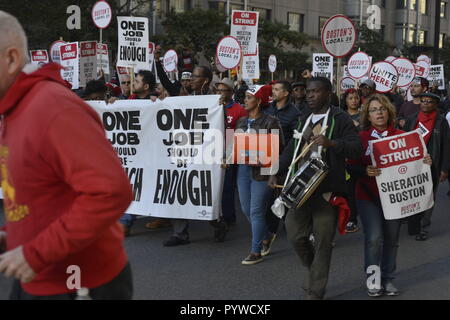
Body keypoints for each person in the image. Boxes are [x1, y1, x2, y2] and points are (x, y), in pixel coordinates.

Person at [0, 11, 133, 300]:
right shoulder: (14, 110)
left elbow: (110, 193)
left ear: (11, 59)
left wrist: (34, 253)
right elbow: (43, 194)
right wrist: (12, 236)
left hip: (78, 282)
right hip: (37, 276)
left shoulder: (52, 108)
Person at [268, 77, 362, 300]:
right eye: (308, 92)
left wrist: (331, 144)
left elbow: (356, 149)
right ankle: (314, 272)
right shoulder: (304, 118)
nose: (309, 95)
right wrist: (276, 170)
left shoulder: (340, 118)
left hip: (327, 192)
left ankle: (315, 291)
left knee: (322, 243)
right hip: (301, 190)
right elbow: (293, 148)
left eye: (315, 91)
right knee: (295, 235)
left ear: (328, 94)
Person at [347, 94, 432, 297]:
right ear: (367, 114)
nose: (379, 113)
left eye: (382, 108)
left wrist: (425, 161)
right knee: (374, 238)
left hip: (395, 198)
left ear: (389, 111)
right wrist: (364, 170)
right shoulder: (361, 138)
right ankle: (373, 280)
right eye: (374, 109)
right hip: (368, 196)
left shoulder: (404, 135)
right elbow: (349, 165)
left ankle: (388, 279)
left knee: (392, 239)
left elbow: (415, 163)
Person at [235, 85, 284, 265]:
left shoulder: (271, 122)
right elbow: (235, 146)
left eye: (249, 97)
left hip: (263, 170)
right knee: (246, 209)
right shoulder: (241, 121)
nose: (245, 100)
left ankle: (256, 251)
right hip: (243, 168)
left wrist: (274, 173)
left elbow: (279, 149)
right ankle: (266, 236)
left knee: (256, 211)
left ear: (258, 101)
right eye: (245, 97)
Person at [403, 92, 450, 241]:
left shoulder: (441, 122)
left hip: (433, 166)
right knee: (412, 193)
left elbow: (447, 146)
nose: (425, 103)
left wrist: (444, 169)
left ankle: (424, 226)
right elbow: (403, 141)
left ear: (435, 105)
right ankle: (413, 220)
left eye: (429, 101)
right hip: (412, 165)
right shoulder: (412, 120)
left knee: (429, 196)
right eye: (423, 101)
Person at [263, 81, 301, 254]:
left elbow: (295, 140)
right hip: (265, 158)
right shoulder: (267, 109)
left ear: (286, 93)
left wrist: (283, 160)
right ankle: (270, 232)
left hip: (284, 161)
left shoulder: (295, 113)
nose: (274, 92)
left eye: (277, 90)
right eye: (273, 89)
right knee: (269, 196)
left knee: (284, 195)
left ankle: (294, 229)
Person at [118, 69, 158, 235]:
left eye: (136, 81)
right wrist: (114, 103)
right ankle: (125, 222)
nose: (133, 83)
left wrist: (160, 101)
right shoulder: (129, 100)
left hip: (154, 153)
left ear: (146, 86)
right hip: (137, 154)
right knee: (135, 184)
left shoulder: (157, 100)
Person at [216, 78, 247, 230]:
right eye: (218, 91)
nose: (219, 93)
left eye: (223, 90)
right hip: (213, 149)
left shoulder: (239, 110)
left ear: (230, 93)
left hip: (229, 150)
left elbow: (239, 133)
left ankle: (229, 216)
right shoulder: (213, 106)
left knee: (227, 186)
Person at [342, 88, 362, 233]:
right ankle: (350, 218)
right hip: (345, 159)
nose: (354, 101)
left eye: (356, 98)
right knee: (348, 190)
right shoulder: (341, 117)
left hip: (361, 158)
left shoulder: (364, 116)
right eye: (350, 98)